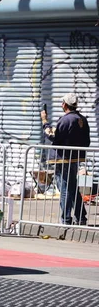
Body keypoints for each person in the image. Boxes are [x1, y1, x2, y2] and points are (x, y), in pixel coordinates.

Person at [41, 93, 91, 225]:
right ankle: (81, 217)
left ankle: (66, 219)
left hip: (63, 159)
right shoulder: (82, 119)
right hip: (74, 159)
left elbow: (53, 136)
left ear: (64, 104)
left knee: (64, 189)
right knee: (73, 189)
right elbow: (86, 141)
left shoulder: (66, 120)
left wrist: (45, 122)